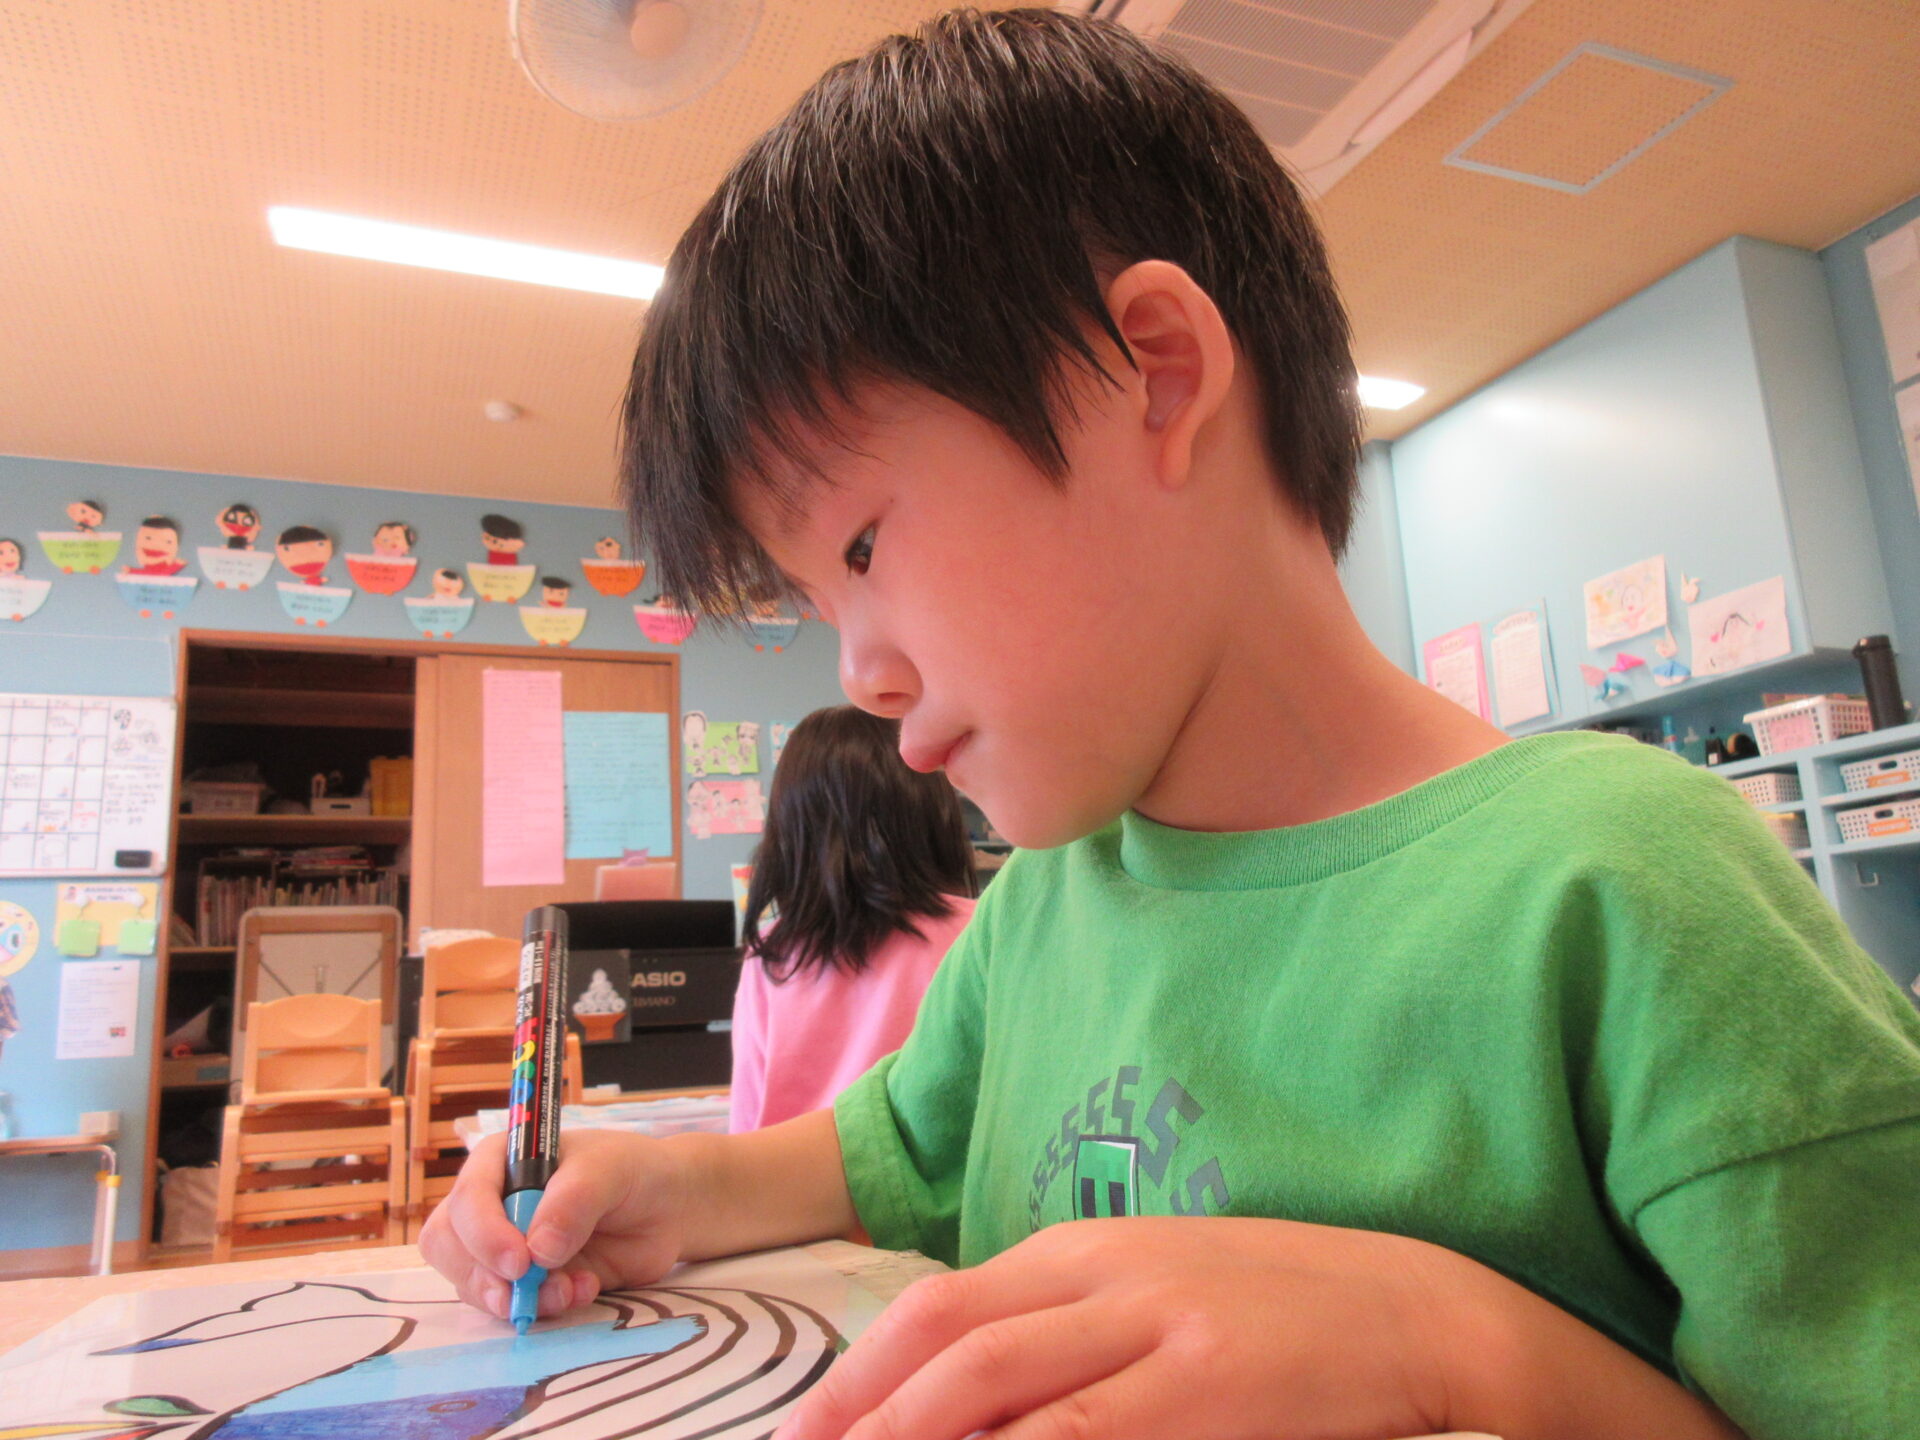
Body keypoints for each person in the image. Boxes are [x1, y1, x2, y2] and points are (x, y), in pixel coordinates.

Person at [423, 12, 1920, 1439]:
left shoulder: (1630, 892)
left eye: (862, 548)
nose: (861, 672)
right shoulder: (1042, 913)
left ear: (1156, 371)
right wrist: (659, 1191)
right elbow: (880, 1156)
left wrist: (1450, 1346)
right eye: (818, 599)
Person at [729, 706, 976, 1133]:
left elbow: (749, 1117)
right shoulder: (977, 931)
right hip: (933, 1174)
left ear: (792, 824)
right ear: (933, 811)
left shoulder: (772, 952)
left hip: (796, 1170)